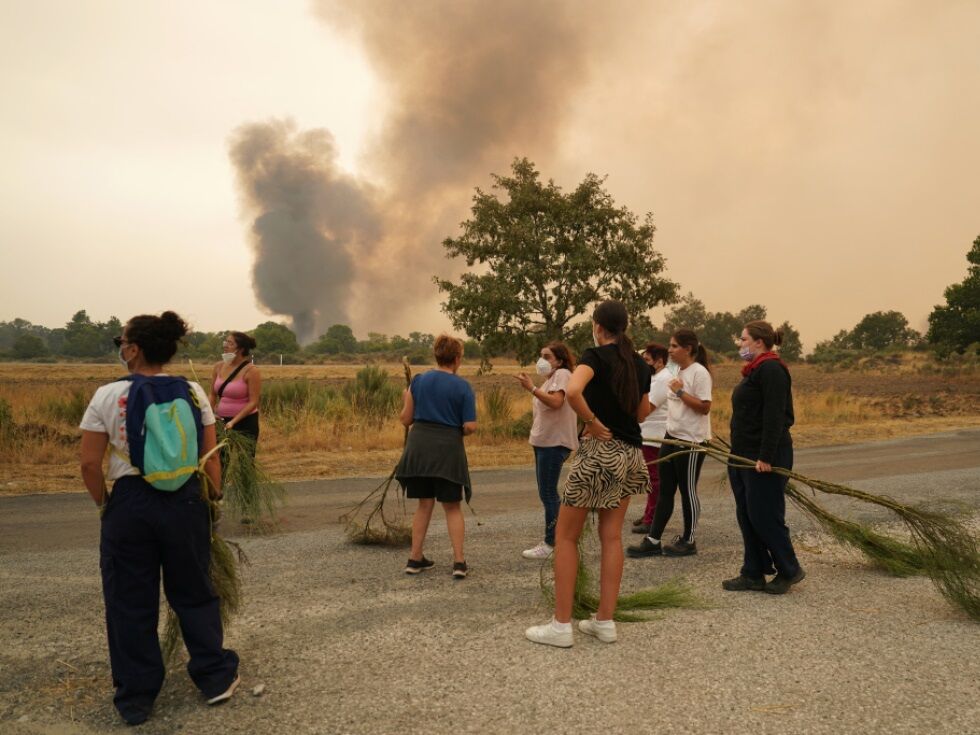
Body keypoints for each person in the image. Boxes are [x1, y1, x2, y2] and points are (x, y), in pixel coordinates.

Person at [79, 312, 240, 726]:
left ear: (133, 349)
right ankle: (214, 677)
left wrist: (105, 506)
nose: (120, 346)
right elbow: (211, 455)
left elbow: (89, 465)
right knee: (194, 590)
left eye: (122, 340)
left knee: (129, 600)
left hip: (130, 502)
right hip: (186, 499)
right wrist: (213, 498)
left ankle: (136, 697)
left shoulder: (104, 396)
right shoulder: (192, 391)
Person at [525, 300, 651, 648]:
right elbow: (641, 413)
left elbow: (574, 392)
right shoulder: (639, 364)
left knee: (566, 537)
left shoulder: (594, 357)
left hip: (600, 452)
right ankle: (604, 621)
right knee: (611, 537)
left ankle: (561, 625)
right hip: (631, 454)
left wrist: (592, 422)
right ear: (624, 327)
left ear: (598, 326)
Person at [724, 320, 805, 594]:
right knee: (747, 514)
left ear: (759, 342)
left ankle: (789, 569)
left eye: (744, 340)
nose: (740, 344)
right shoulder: (754, 370)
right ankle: (753, 572)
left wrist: (766, 456)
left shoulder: (772, 369)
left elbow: (775, 416)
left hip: (764, 458)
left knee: (765, 515)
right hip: (742, 454)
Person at [395, 334, 477, 579]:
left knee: (424, 504)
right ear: (457, 358)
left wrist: (406, 398)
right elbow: (470, 426)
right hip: (447, 451)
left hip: (418, 448)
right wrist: (461, 429)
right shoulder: (463, 386)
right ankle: (459, 563)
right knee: (452, 507)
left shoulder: (418, 381)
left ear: (436, 355)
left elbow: (405, 419)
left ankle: (414, 558)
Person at [628, 328, 712, 558]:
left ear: (688, 349)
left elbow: (705, 407)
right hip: (671, 436)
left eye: (674, 346)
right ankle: (653, 539)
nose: (671, 350)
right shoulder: (677, 372)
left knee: (687, 491)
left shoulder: (699, 373)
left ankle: (689, 540)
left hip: (691, 441)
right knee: (665, 490)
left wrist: (681, 393)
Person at [515, 342, 579, 559]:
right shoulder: (551, 380)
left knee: (549, 494)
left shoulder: (562, 374)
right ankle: (560, 540)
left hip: (554, 444)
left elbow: (556, 402)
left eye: (547, 356)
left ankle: (553, 543)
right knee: (548, 493)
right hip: (544, 442)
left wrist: (531, 388)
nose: (542, 360)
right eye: (541, 355)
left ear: (559, 361)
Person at [631, 343, 672, 536]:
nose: (644, 363)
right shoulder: (655, 377)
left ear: (659, 361)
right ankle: (650, 513)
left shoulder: (664, 379)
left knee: (655, 479)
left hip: (655, 434)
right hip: (647, 433)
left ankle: (652, 518)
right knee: (651, 478)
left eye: (647, 360)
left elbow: (649, 406)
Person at [209, 331, 261, 456]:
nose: (225, 345)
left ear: (240, 349)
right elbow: (212, 394)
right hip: (221, 422)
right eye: (225, 342)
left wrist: (234, 421)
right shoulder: (218, 367)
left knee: (244, 462)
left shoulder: (251, 371)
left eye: (230, 343)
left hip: (244, 423)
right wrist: (210, 414)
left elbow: (253, 402)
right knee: (221, 461)